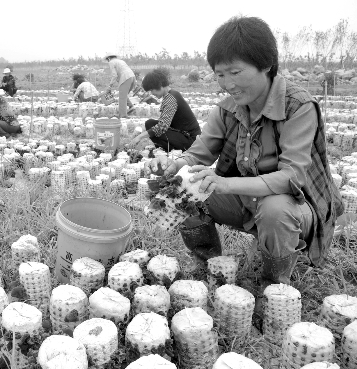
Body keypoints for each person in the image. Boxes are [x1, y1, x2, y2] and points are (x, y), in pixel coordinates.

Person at [146, 16, 343, 318]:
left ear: (265, 65)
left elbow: (291, 178)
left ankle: (273, 287)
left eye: (235, 72)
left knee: (276, 210)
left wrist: (225, 184)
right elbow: (198, 154)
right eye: (220, 74)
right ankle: (208, 266)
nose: (228, 84)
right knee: (177, 191)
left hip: (295, 204)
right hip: (246, 200)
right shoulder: (227, 109)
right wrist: (173, 165)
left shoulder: (298, 107)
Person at [127, 70, 201, 152]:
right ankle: (165, 148)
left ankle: (173, 149)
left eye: (152, 90)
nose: (152, 93)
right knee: (150, 123)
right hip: (183, 134)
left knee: (155, 128)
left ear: (160, 85)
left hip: (190, 140)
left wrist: (139, 137)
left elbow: (162, 127)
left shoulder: (170, 99)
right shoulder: (172, 94)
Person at [104, 52, 135, 117]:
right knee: (123, 94)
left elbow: (114, 75)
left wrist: (110, 86)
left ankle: (123, 115)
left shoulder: (111, 62)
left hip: (125, 77)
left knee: (122, 97)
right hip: (132, 77)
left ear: (109, 58)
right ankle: (131, 106)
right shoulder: (120, 61)